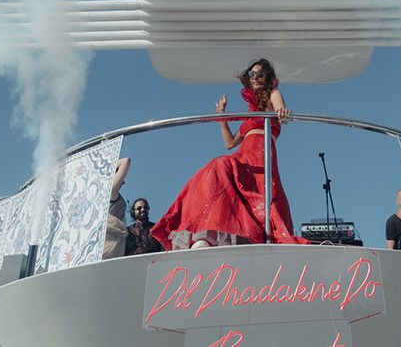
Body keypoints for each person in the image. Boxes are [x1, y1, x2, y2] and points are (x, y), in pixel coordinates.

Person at [152, 59, 309, 249]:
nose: (255, 77)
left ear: (268, 77)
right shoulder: (251, 113)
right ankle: (206, 236)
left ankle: (244, 238)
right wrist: (222, 115)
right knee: (217, 169)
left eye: (259, 73)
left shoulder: (273, 95)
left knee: (259, 197)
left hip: (261, 157)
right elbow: (230, 143)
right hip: (243, 156)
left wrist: (282, 112)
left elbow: (281, 113)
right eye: (251, 74)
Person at [103, 157, 131, 259]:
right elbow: (126, 161)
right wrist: (104, 166)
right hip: (109, 244)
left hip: (114, 244)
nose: (123, 182)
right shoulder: (111, 191)